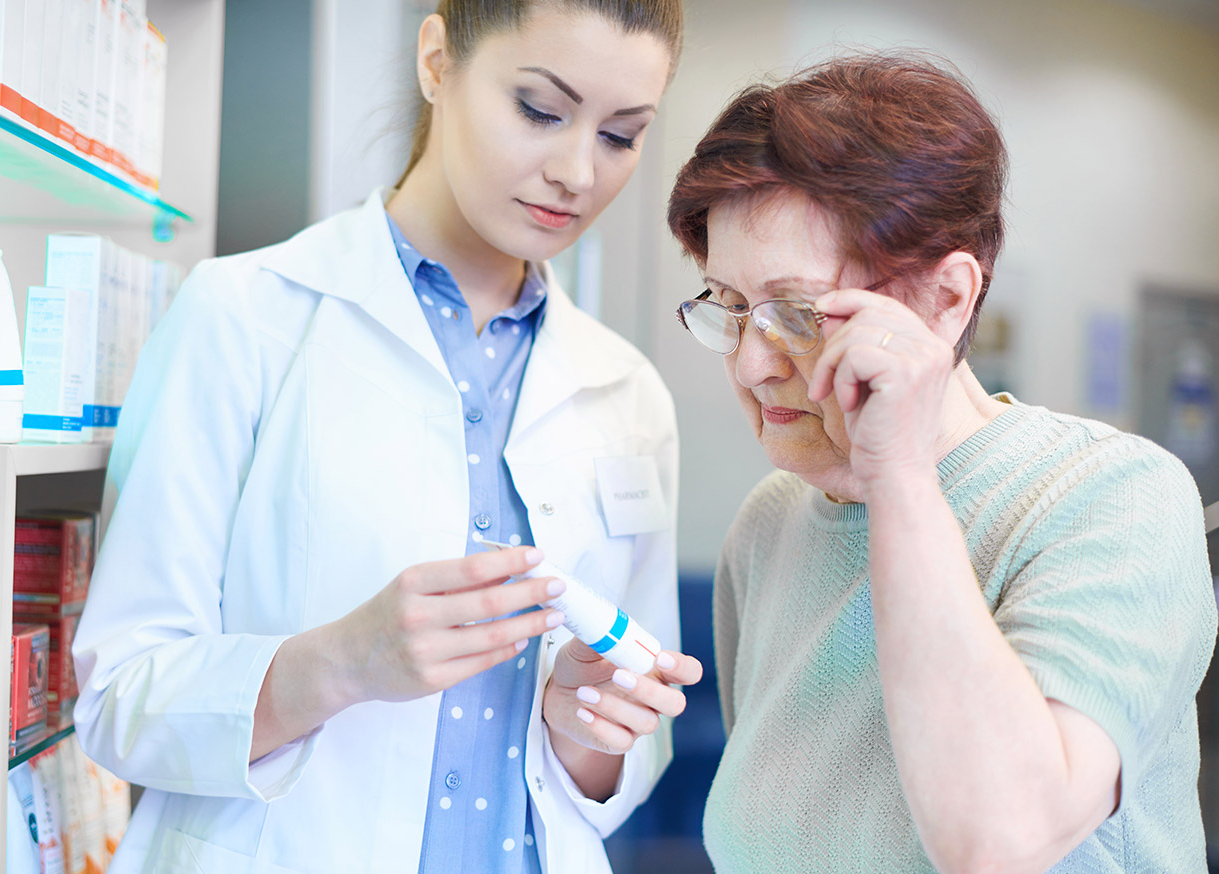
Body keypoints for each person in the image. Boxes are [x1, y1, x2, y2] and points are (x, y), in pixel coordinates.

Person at [72, 2, 701, 872]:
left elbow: (614, 767)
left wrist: (582, 725)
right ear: (438, 61)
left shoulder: (629, 392)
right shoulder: (244, 317)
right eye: (540, 111)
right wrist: (339, 663)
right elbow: (116, 699)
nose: (576, 171)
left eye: (621, 136)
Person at [666, 52, 1216, 873]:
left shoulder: (1114, 498)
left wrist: (900, 479)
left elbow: (1000, 837)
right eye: (733, 309)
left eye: (796, 312)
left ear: (947, 299)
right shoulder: (772, 523)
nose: (750, 363)